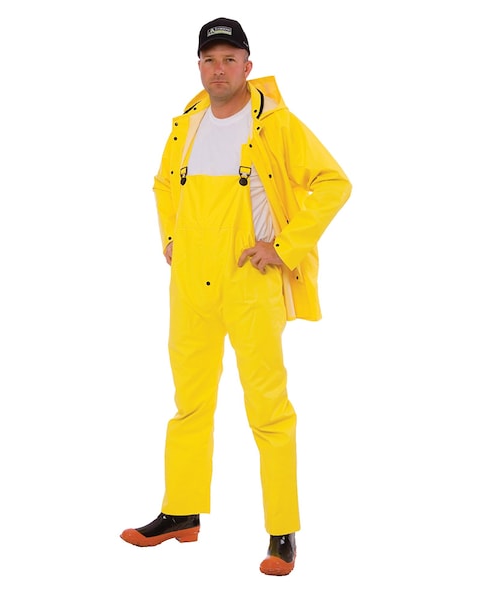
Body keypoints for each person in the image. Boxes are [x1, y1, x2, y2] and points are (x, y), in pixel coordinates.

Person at [120, 17, 352, 576]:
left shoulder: (276, 124)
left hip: (250, 280)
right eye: (209, 59)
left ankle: (282, 532)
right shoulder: (188, 121)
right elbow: (163, 183)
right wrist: (171, 238)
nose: (218, 69)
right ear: (199, 65)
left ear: (248, 65)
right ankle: (181, 511)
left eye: (229, 59)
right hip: (190, 282)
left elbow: (333, 182)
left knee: (268, 408)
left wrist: (285, 247)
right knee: (189, 401)